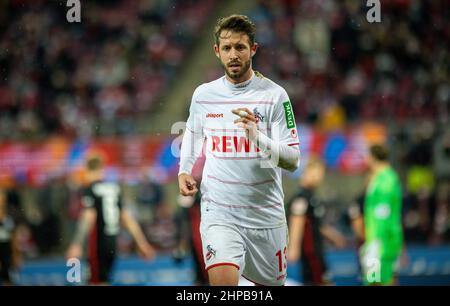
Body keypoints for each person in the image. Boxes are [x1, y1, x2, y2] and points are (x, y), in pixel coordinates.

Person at [178, 14, 300, 286]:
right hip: (219, 213)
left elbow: (293, 160)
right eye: (227, 48)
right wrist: (184, 169)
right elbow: (193, 133)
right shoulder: (203, 95)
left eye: (240, 47)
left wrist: (258, 139)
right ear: (217, 51)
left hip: (265, 217)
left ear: (253, 49)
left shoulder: (275, 96)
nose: (233, 54)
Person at [66, 154, 155, 285]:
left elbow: (89, 216)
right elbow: (127, 218)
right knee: (103, 280)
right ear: (102, 168)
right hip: (112, 243)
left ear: (86, 169)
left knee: (95, 281)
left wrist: (77, 243)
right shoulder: (114, 188)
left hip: (97, 243)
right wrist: (141, 242)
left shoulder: (90, 189)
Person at [286, 157, 346, 285]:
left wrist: (334, 237)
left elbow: (317, 224)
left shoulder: (312, 197)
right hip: (311, 255)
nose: (320, 177)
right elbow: (297, 221)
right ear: (308, 171)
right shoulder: (301, 198)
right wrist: (293, 248)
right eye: (318, 172)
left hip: (317, 253)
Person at [360, 144, 404, 286]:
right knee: (378, 281)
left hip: (381, 243)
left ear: (373, 157)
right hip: (378, 241)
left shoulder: (386, 180)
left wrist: (375, 245)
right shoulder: (381, 178)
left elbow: (383, 214)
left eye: (367, 156)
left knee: (377, 281)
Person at [0, 190, 21, 285]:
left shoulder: (10, 214)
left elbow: (14, 237)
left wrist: (16, 256)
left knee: (8, 279)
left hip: (7, 252)